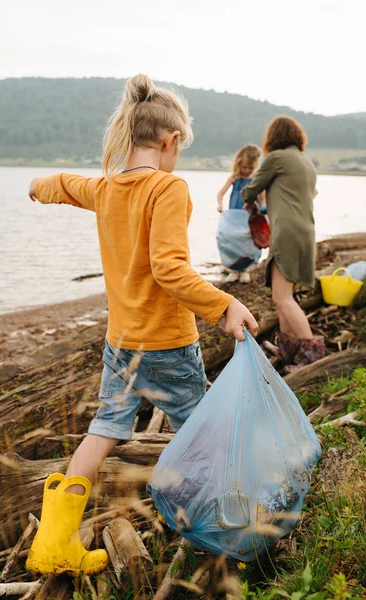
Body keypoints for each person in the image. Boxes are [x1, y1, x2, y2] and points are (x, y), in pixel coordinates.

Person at [25, 74, 258, 576]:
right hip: (170, 346)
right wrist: (224, 306)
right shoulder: (168, 187)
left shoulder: (109, 188)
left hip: (121, 344)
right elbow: (170, 269)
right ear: (170, 141)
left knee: (103, 432)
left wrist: (37, 187)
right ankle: (215, 534)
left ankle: (54, 541)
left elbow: (67, 184)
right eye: (180, 148)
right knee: (202, 436)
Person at [241, 116, 324, 373]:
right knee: (283, 297)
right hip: (305, 233)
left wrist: (252, 200)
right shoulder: (306, 163)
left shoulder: (276, 159)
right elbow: (297, 197)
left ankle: (313, 360)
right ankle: (290, 351)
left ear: (274, 138)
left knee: (283, 297)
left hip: (286, 234)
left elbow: (249, 190)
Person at [216, 144, 266, 284]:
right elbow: (221, 193)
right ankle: (233, 270)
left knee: (248, 240)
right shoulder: (235, 178)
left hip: (250, 216)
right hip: (234, 216)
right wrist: (220, 205)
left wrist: (263, 211)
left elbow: (263, 198)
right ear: (239, 164)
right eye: (244, 167)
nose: (246, 170)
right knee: (233, 240)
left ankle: (245, 270)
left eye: (250, 168)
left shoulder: (256, 180)